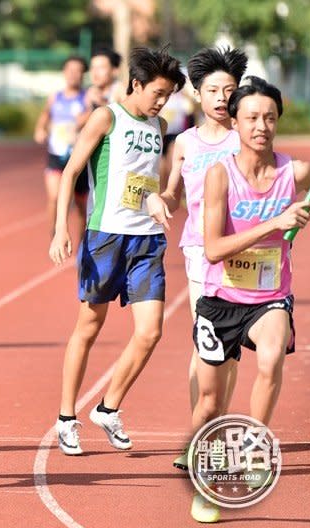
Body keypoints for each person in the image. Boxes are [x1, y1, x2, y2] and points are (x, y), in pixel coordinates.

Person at [186, 77, 310, 523]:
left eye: (270, 118)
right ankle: (206, 482)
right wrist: (275, 221)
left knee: (272, 356)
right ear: (235, 122)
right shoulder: (218, 175)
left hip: (269, 297)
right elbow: (215, 249)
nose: (262, 126)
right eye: (253, 117)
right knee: (209, 404)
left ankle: (256, 449)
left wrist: (299, 213)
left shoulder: (294, 173)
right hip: (222, 299)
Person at [49, 46, 185, 456]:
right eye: (158, 93)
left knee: (150, 331)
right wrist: (60, 229)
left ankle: (108, 407)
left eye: (169, 95)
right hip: (106, 236)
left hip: (147, 241)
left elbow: (151, 183)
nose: (162, 102)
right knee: (89, 327)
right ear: (137, 83)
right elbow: (72, 170)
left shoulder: (159, 126)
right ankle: (66, 417)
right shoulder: (107, 117)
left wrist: (163, 198)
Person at [150, 47, 247, 470]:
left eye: (229, 89)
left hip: (242, 253)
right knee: (205, 344)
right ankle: (202, 435)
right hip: (198, 252)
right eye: (213, 90)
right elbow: (173, 189)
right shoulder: (185, 142)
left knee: (230, 351)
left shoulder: (247, 137)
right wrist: (162, 199)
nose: (222, 97)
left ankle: (216, 426)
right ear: (198, 95)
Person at [33, 56, 89, 239]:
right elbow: (45, 115)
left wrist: (82, 121)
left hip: (78, 156)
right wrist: (40, 129)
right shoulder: (55, 97)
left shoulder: (87, 97)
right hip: (56, 154)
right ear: (64, 72)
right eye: (70, 70)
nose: (73, 74)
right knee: (54, 197)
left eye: (77, 70)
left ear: (83, 74)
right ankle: (55, 232)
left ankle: (82, 243)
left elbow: (94, 114)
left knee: (82, 204)